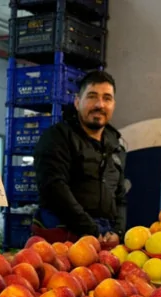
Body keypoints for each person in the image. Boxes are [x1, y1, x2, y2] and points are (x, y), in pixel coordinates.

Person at [32, 70, 127, 246]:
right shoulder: (57, 137)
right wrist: (89, 229)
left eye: (107, 98)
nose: (100, 104)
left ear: (113, 104)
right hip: (63, 238)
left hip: (104, 240)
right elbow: (54, 188)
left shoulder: (116, 146)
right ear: (77, 102)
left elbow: (120, 197)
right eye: (92, 96)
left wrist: (118, 232)